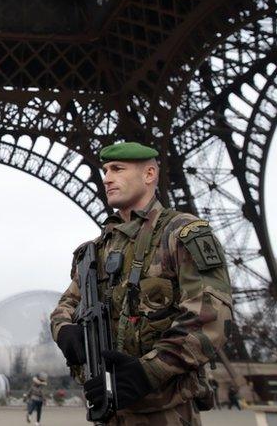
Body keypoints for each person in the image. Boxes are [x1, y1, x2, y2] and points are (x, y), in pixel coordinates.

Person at [49, 142, 234, 425]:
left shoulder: (182, 234)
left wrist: (148, 372)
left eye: (118, 169)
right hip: (109, 409)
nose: (107, 177)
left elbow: (211, 317)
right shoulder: (93, 251)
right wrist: (65, 331)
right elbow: (66, 304)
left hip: (167, 412)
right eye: (105, 170)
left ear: (149, 174)